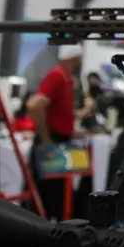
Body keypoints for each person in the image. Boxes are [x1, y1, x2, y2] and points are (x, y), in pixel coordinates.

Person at [25, 44, 83, 220]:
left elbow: (60, 113)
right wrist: (45, 137)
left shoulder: (66, 78)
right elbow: (34, 105)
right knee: (47, 193)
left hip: (61, 140)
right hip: (53, 142)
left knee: (60, 192)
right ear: (74, 59)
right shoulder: (57, 75)